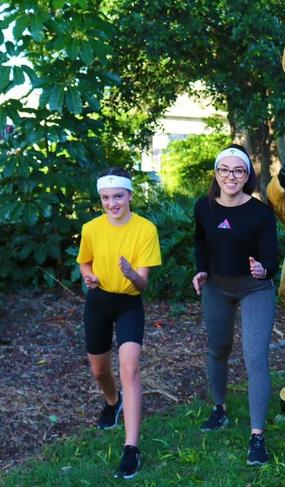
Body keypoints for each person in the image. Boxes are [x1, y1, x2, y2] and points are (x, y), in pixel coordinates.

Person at [192, 143, 278, 466]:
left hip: (254, 288)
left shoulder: (260, 212)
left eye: (238, 170)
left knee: (255, 357)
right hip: (216, 287)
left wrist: (263, 269)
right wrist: (201, 270)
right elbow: (200, 240)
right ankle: (220, 408)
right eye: (225, 170)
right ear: (216, 174)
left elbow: (271, 258)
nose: (231, 176)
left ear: (247, 175)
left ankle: (257, 436)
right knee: (219, 348)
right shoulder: (204, 207)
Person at [76, 167, 161, 480]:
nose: (112, 203)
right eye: (106, 198)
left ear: (130, 196)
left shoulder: (145, 229)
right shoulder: (91, 228)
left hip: (128, 304)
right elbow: (84, 260)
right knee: (99, 370)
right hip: (98, 302)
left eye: (118, 196)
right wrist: (88, 275)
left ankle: (131, 449)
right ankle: (113, 403)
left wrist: (130, 274)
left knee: (130, 368)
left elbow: (142, 285)